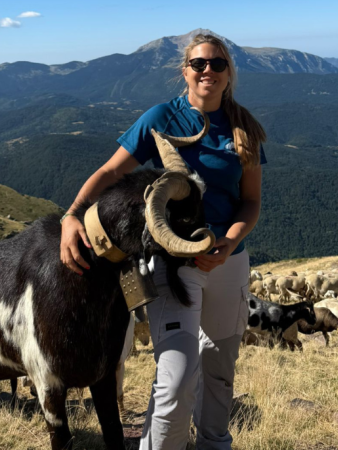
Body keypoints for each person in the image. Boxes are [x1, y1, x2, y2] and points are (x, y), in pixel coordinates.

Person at [60, 34, 266, 450]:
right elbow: (109, 174)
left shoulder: (245, 130)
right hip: (170, 267)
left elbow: (251, 202)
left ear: (229, 74)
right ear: (185, 70)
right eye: (198, 64)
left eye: (217, 64)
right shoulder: (161, 118)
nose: (208, 71)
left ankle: (213, 444)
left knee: (219, 370)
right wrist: (71, 216)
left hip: (228, 264)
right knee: (176, 379)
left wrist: (226, 244)